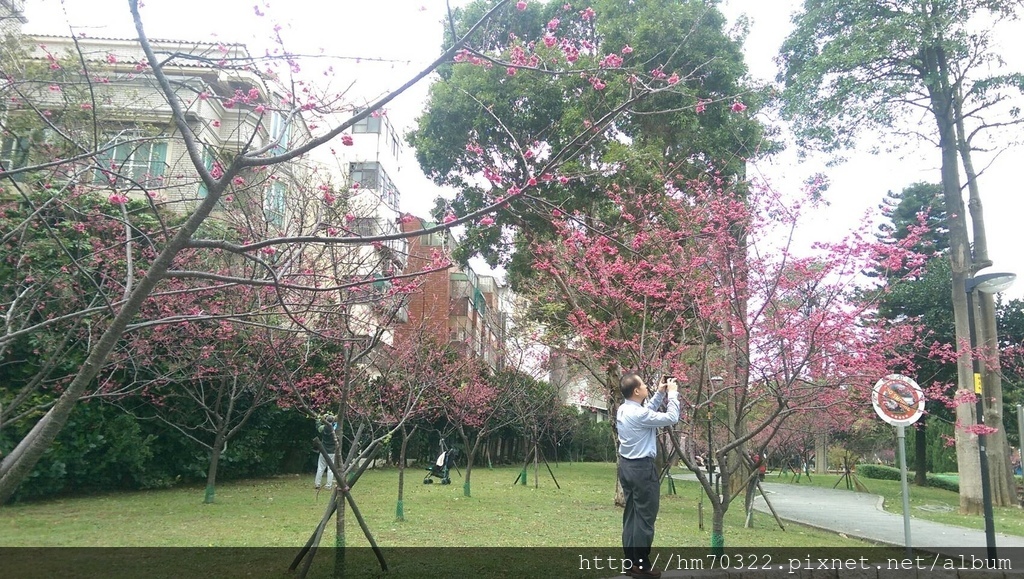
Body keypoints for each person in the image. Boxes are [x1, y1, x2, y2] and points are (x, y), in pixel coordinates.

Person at [616, 372, 680, 579]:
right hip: (642, 470)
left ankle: (631, 562)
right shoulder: (639, 414)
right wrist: (673, 395)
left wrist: (660, 394)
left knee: (632, 516)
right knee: (645, 519)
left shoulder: (624, 409)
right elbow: (672, 418)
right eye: (643, 385)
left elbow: (646, 412)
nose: (646, 386)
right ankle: (641, 566)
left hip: (626, 467)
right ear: (636, 391)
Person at [314, 414, 338, 490]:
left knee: (320, 468)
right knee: (330, 469)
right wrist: (334, 418)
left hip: (323, 450)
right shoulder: (334, 428)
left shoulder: (323, 428)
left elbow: (318, 426)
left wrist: (321, 418)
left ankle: (317, 484)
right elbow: (337, 423)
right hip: (332, 451)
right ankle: (328, 485)